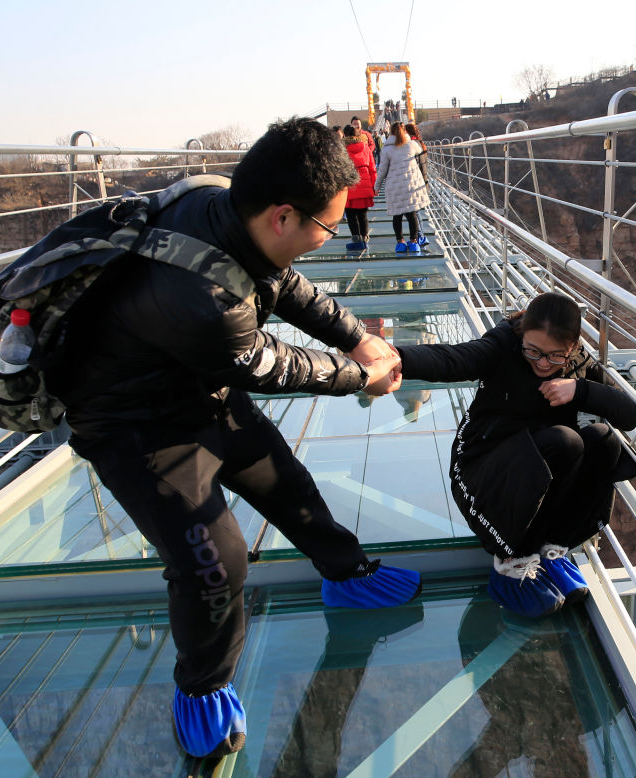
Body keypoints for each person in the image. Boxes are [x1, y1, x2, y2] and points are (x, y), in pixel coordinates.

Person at [54, 117, 419, 761]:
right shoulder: (203, 301)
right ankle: (202, 686)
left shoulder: (217, 205)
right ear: (283, 215)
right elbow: (271, 363)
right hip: (132, 424)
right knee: (217, 563)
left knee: (286, 482)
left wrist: (356, 332)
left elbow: (286, 286)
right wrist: (360, 373)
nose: (325, 239)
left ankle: (345, 573)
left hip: (194, 386)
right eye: (327, 227)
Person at [392, 292, 636, 618]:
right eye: (533, 351)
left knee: (603, 439)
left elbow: (628, 415)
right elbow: (456, 359)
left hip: (534, 472)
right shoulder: (502, 347)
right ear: (522, 334)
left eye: (553, 356)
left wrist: (577, 389)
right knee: (565, 442)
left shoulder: (575, 361)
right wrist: (395, 358)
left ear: (571, 347)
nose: (541, 363)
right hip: (481, 472)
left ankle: (553, 551)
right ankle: (511, 563)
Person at [374, 121, 430, 253]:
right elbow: (420, 149)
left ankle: (400, 242)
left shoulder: (386, 149)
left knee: (397, 216)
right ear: (404, 131)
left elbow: (382, 171)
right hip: (410, 185)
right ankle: (414, 242)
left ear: (391, 132)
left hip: (394, 187)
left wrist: (376, 187)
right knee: (412, 215)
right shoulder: (411, 145)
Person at [342, 123, 376, 252]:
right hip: (365, 183)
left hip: (350, 185)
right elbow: (372, 168)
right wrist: (374, 186)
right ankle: (365, 237)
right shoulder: (366, 148)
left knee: (351, 214)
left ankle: (356, 239)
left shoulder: (343, 150)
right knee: (363, 214)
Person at [403, 123, 430, 246]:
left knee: (414, 211)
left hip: (414, 181)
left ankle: (420, 236)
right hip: (422, 181)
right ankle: (421, 236)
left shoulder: (411, 146)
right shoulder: (421, 144)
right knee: (416, 210)